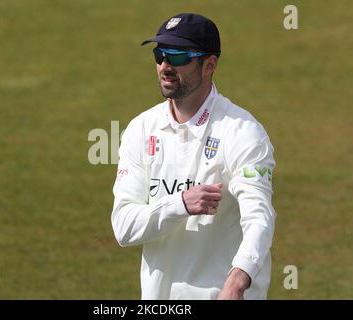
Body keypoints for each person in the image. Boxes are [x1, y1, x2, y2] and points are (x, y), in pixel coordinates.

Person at [111, 13, 276, 300]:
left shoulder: (243, 132)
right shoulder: (141, 129)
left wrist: (238, 279)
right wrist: (181, 204)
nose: (164, 66)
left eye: (177, 57)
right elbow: (124, 228)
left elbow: (259, 218)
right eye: (159, 54)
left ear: (209, 65)